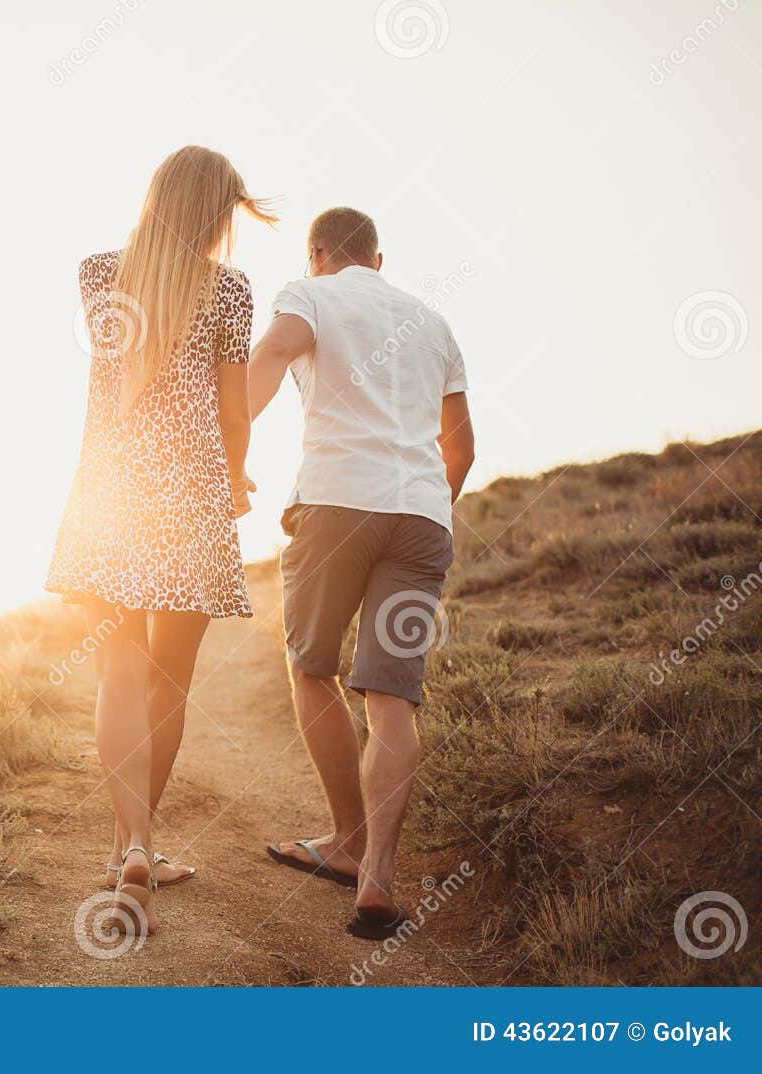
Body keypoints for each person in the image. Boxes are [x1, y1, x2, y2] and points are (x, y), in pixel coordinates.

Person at [46, 145, 273, 935]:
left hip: (108, 494)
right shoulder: (232, 291)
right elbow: (234, 414)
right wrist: (237, 478)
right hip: (190, 501)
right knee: (167, 683)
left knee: (117, 669)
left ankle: (129, 846)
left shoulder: (96, 272)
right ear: (217, 212)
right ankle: (137, 844)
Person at [247, 207, 475, 940]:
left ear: (318, 254)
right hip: (421, 516)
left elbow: (271, 355)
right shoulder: (432, 322)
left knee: (309, 665)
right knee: (391, 698)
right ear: (378, 258)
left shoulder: (309, 293)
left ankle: (346, 840)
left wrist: (230, 449)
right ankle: (377, 876)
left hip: (336, 501)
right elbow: (462, 448)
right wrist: (423, 505)